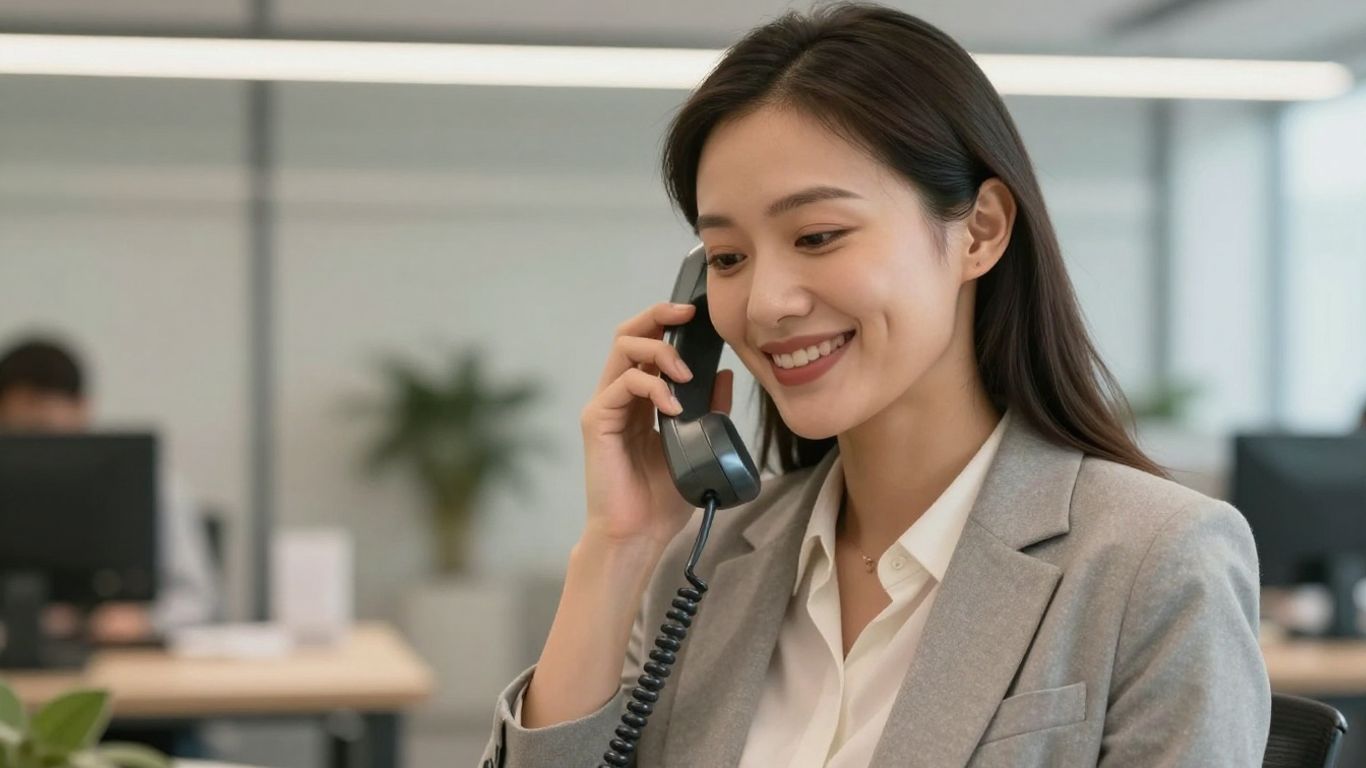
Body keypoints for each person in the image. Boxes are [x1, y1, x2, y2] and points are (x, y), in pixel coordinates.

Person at [480, 4, 1270, 766]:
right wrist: (615, 552)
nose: (764, 304)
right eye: (727, 257)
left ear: (981, 232)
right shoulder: (711, 562)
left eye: (818, 236)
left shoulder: (1154, 560)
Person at [0, 336, 218, 641]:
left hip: (125, 662)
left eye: (47, 431)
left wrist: (145, 619)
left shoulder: (153, 483)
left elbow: (197, 597)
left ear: (82, 409)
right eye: (21, 436)